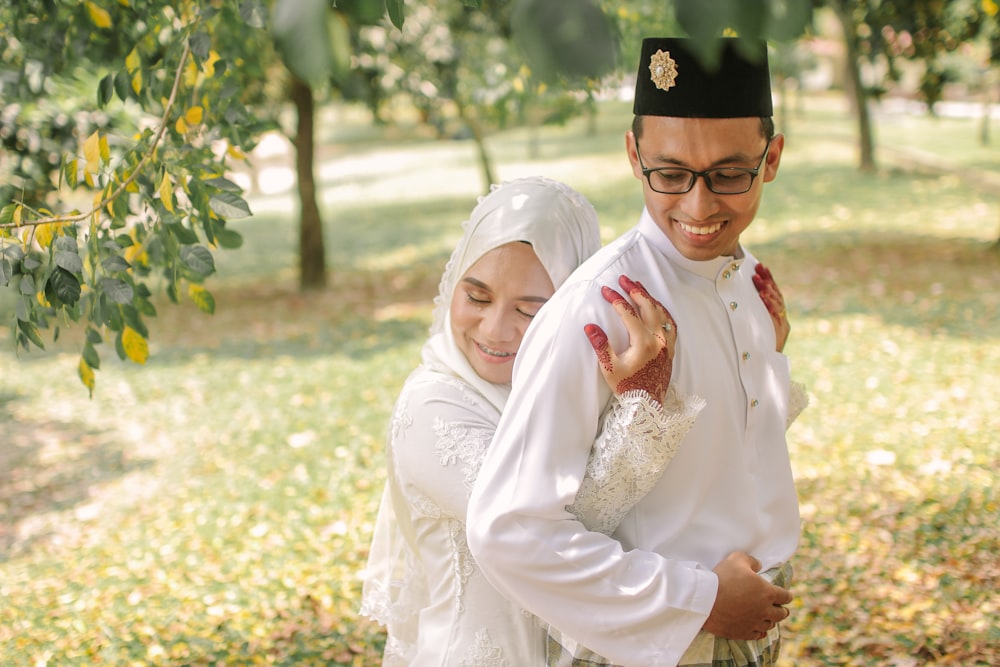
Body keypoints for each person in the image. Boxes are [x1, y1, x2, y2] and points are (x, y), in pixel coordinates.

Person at [467, 38, 804, 667]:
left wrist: (770, 356)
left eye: (730, 174)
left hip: (751, 632)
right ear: (633, 155)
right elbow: (508, 530)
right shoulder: (600, 307)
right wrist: (699, 601)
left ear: (773, 157)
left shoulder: (748, 281)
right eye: (670, 175)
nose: (699, 208)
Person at [359, 176, 706, 666]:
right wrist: (640, 410)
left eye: (531, 309)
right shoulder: (431, 406)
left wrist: (761, 354)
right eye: (477, 297)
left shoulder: (569, 385)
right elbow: (556, 530)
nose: (496, 329)